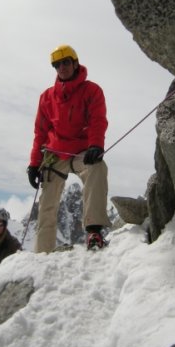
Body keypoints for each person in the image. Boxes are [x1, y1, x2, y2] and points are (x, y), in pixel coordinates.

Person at [27, 44, 111, 253]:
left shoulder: (92, 90)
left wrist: (95, 145)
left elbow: (97, 121)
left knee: (97, 168)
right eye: (57, 65)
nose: (61, 68)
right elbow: (40, 132)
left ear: (75, 63)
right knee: (47, 203)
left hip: (82, 152)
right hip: (55, 154)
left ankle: (93, 230)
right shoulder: (47, 97)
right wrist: (34, 164)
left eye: (65, 62)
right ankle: (41, 251)